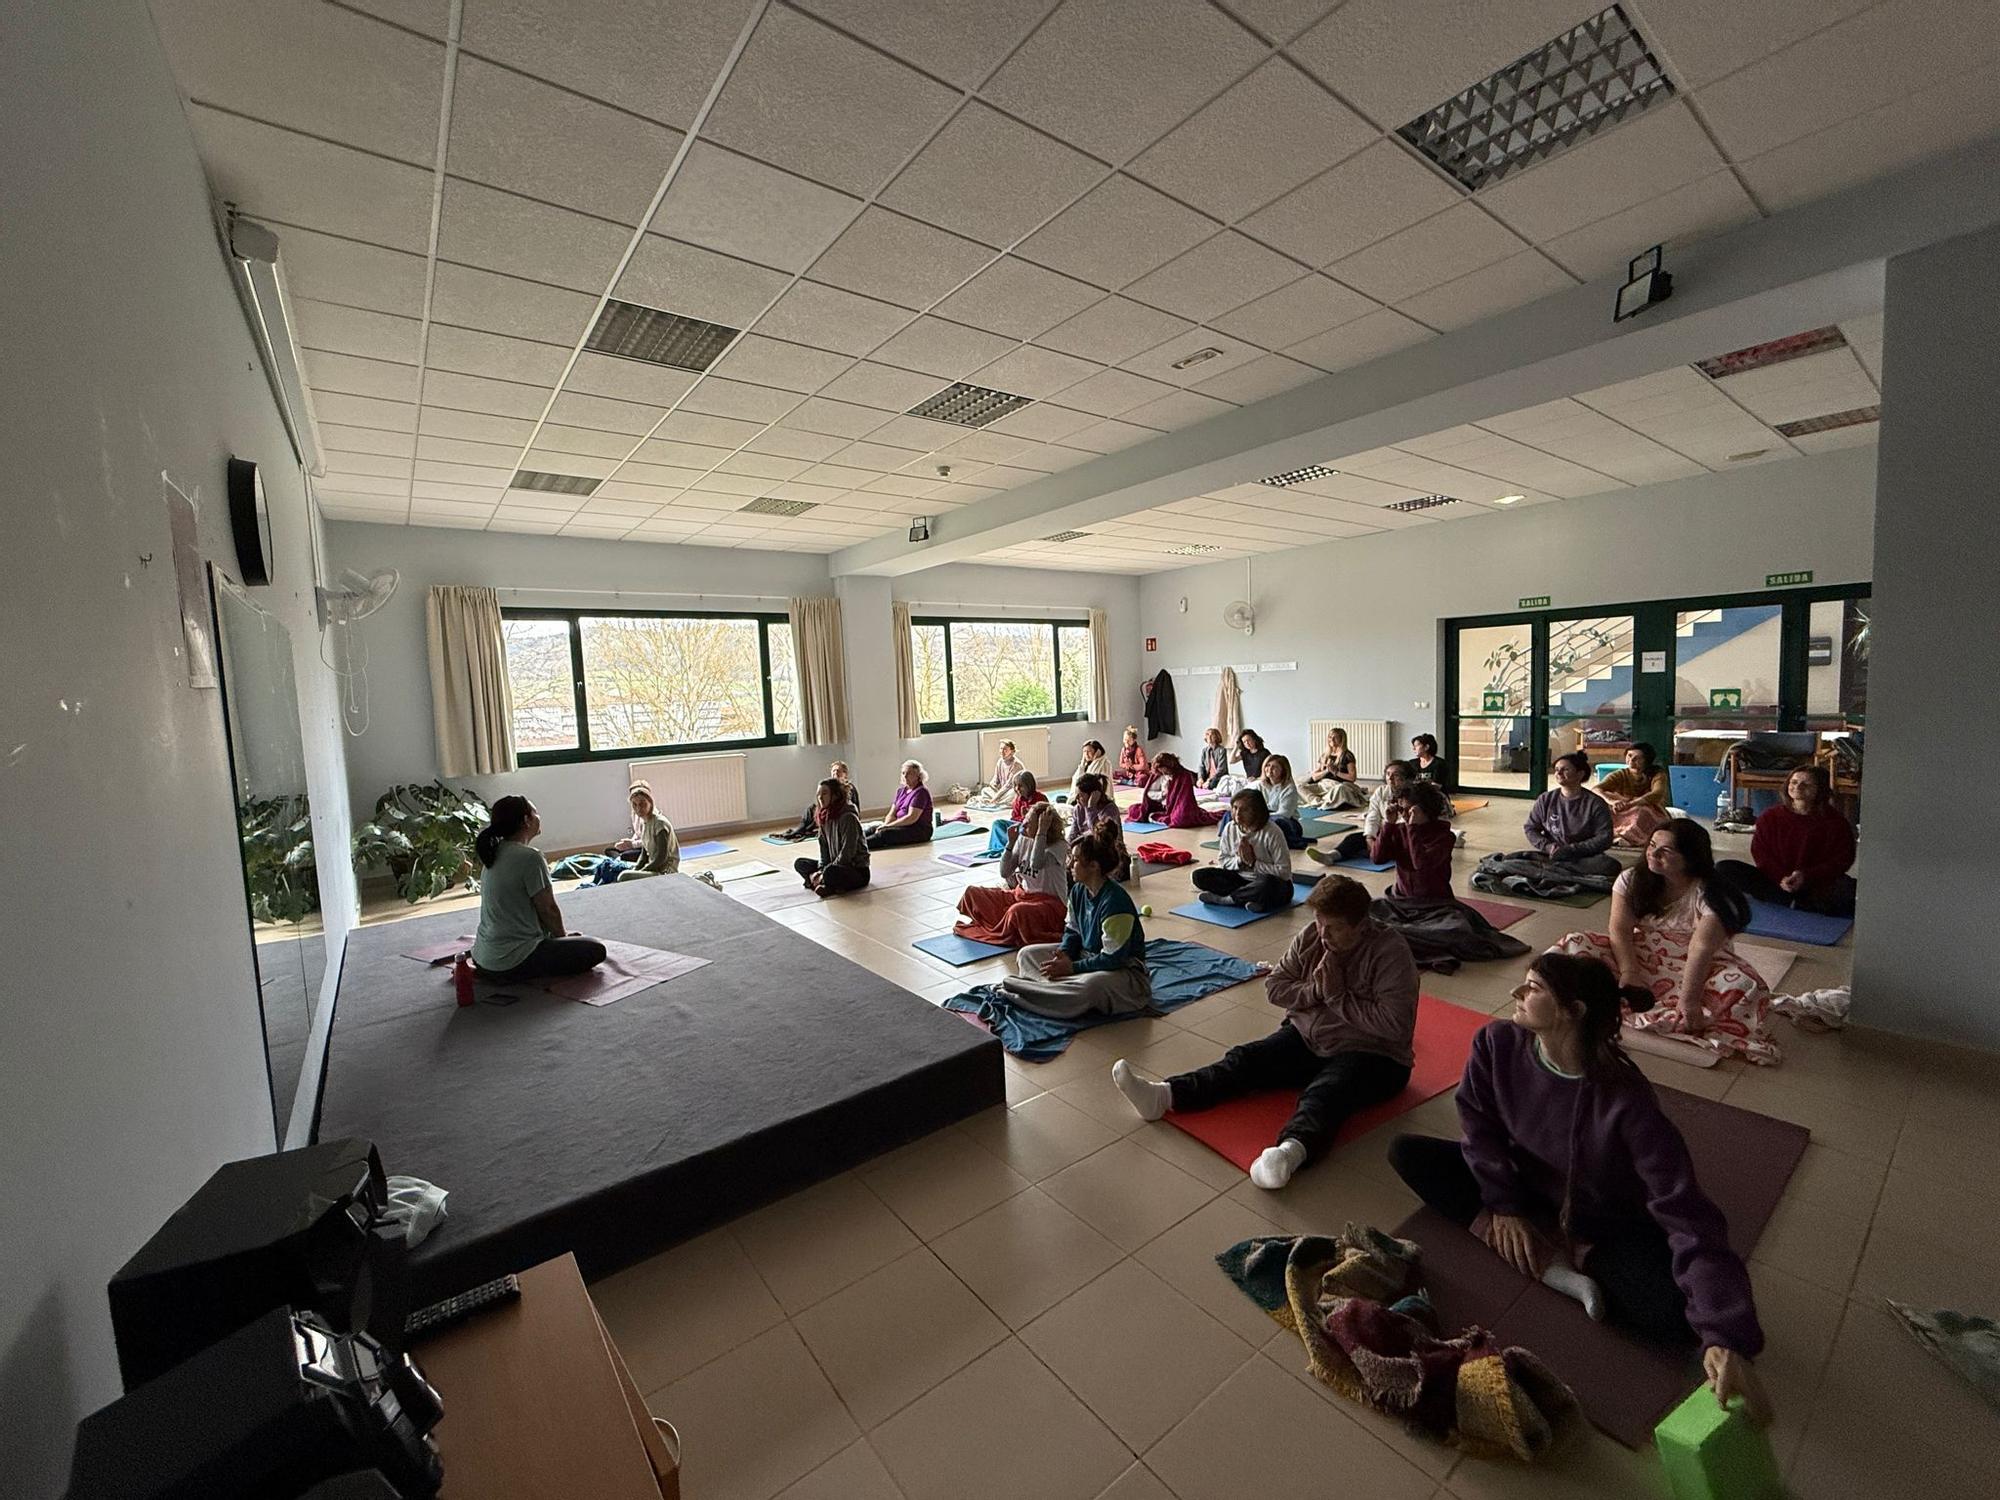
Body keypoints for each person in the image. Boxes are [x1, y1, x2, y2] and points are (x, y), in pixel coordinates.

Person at [1387, 953, 1774, 1428]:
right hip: (1523, 1189)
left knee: (1676, 1317)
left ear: (1573, 1011)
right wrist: (1503, 1205)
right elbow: (1479, 1127)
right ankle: (1546, 1262)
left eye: (1532, 988)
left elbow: (1689, 1216)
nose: (1516, 995)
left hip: (1600, 1221)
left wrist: (1723, 1333)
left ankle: (1571, 1254)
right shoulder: (1497, 1043)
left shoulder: (1626, 1102)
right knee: (1407, 1153)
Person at [1112, 874, 1417, 1191]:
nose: (1324, 934)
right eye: (1320, 923)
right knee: (1247, 1059)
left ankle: (1288, 1153)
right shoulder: (1313, 935)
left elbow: (1394, 1026)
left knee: (1327, 1092)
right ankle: (1164, 1095)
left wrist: (1338, 998)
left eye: (1335, 928)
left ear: (1360, 925)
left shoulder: (1389, 952)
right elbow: (1276, 987)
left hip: (1374, 1054)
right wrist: (1315, 992)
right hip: (1309, 1037)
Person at [1552, 820, 1779, 1065]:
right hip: (1642, 955)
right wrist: (1629, 971)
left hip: (1698, 966)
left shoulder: (1710, 892)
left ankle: (1667, 1011)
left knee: (1745, 984)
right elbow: (1620, 929)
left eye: (1666, 850)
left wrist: (1689, 1000)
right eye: (1651, 845)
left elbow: (1700, 949)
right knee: (1575, 943)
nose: (1653, 853)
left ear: (1690, 858)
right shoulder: (1631, 879)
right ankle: (1641, 1006)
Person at [1369, 782, 1530, 973]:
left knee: (1456, 931)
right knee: (1362, 913)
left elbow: (1422, 866)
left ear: (1424, 809)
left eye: (1407, 809)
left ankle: (1408, 936)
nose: (1403, 814)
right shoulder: (1398, 830)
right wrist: (1388, 824)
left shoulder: (1443, 835)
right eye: (1400, 808)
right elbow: (1377, 859)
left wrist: (1413, 829)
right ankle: (1408, 934)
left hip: (1436, 905)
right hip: (1400, 901)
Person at [1001, 831, 1150, 1019]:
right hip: (1085, 956)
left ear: (1094, 866)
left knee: (1089, 987)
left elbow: (1113, 959)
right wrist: (1063, 954)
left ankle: (1038, 992)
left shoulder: (1115, 902)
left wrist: (1072, 968)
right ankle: (1048, 993)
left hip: (1122, 972)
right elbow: (1072, 931)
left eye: (1076, 860)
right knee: (1027, 954)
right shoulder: (1078, 890)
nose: (1070, 864)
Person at [470, 796, 607, 981]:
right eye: (535, 812)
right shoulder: (530, 858)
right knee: (595, 949)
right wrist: (562, 939)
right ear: (526, 820)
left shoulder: (493, 852)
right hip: (511, 962)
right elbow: (548, 909)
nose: (538, 816)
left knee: (576, 944)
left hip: (482, 958)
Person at [1716, 766, 1857, 918]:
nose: (1798, 787)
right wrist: (1781, 877)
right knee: (1725, 868)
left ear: (1820, 789)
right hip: (1777, 881)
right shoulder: (1770, 816)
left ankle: (1792, 901)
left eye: (1806, 784)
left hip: (1816, 883)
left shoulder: (1835, 822)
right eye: (1794, 782)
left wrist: (1806, 876)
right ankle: (1793, 902)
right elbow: (1761, 853)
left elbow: (1842, 860)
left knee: (1848, 887)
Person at [957, 802, 1069, 947]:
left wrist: (1041, 832)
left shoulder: (1059, 845)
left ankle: (1005, 925)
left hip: (1049, 906)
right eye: (1025, 820)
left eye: (1029, 822)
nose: (1024, 824)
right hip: (1021, 896)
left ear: (1044, 825)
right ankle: (1004, 925)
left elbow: (1036, 863)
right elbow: (1005, 872)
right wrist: (1010, 844)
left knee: (1017, 912)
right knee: (972, 893)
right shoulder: (1023, 839)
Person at [1192, 789, 1295, 913]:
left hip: (1270, 883)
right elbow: (1223, 860)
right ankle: (1252, 899)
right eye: (1235, 808)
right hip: (1240, 880)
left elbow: (1284, 872)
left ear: (1257, 811)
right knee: (1199, 876)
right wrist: (1240, 862)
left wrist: (1253, 864)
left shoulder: (1272, 832)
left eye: (1245, 810)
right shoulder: (1230, 828)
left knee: (1267, 884)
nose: (1238, 814)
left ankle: (1229, 900)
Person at [1523, 751, 1619, 875]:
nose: (1559, 773)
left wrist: (1571, 850)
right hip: (1552, 854)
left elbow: (1604, 838)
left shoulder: (1595, 803)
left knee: (1609, 865)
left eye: (1565, 769)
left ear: (1580, 774)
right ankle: (1559, 869)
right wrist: (1548, 847)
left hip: (1583, 856)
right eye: (1557, 769)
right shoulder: (1545, 799)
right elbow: (1530, 828)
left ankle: (1553, 870)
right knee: (1514, 858)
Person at [794, 778, 870, 897]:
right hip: (834, 864)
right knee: (800, 863)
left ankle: (821, 882)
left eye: (824, 793)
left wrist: (824, 873)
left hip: (855, 869)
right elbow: (824, 850)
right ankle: (829, 885)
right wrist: (821, 869)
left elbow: (847, 853)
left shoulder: (848, 817)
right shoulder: (824, 817)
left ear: (835, 795)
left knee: (831, 872)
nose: (820, 797)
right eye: (818, 794)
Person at [1593, 743, 1673, 848]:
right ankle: (1612, 835)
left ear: (1647, 760)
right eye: (1629, 756)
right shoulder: (1620, 774)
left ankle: (1629, 837)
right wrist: (1612, 801)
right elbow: (1596, 789)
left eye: (1638, 758)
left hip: (1648, 808)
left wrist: (1631, 804)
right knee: (1603, 810)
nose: (1631, 761)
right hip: (1624, 808)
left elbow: (1656, 794)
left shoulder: (1657, 774)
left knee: (1641, 811)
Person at [603, 781, 680, 880]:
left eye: (642, 804)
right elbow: (643, 856)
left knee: (623, 877)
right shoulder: (645, 823)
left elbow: (661, 857)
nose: (638, 808)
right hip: (653, 868)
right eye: (635, 805)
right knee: (616, 870)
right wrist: (636, 869)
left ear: (650, 803)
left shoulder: (660, 823)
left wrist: (643, 871)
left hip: (665, 872)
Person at [1125, 751, 1220, 828]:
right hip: (1160, 805)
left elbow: (1184, 799)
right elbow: (1149, 794)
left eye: (1163, 768)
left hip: (1175, 806)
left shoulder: (1183, 775)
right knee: (1134, 810)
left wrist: (1169, 797)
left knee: (1180, 818)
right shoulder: (1157, 775)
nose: (1162, 771)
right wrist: (1163, 794)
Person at [776, 760, 860, 841]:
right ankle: (801, 829)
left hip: (839, 812)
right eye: (833, 771)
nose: (835, 773)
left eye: (838, 771)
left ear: (845, 774)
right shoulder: (830, 785)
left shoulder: (848, 788)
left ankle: (802, 830)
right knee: (810, 809)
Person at [866, 760, 934, 850]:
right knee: (873, 829)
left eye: (909, 773)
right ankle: (849, 842)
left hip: (918, 830)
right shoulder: (901, 791)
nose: (905, 776)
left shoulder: (921, 792)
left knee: (885, 834)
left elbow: (911, 818)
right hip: (902, 826)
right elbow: (892, 813)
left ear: (918, 776)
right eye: (903, 773)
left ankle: (857, 847)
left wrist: (888, 827)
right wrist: (885, 825)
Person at [1301, 726, 1368, 811]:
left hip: (1337, 785)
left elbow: (1352, 777)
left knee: (1340, 789)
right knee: (1299, 786)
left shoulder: (1347, 755)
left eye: (1335, 737)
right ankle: (1318, 802)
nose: (1331, 739)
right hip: (1323, 785)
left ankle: (1324, 801)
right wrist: (1326, 771)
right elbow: (1314, 776)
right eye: (1330, 737)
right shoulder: (1325, 755)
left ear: (1341, 739)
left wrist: (1335, 772)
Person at [985, 769, 1049, 855]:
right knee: (998, 824)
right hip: (1019, 825)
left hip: (1031, 829)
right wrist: (1021, 819)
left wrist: (1026, 817)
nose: (1017, 789)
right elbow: (1014, 817)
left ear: (1029, 785)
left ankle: (1013, 846)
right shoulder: (1018, 800)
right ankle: (1003, 847)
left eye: (1020, 786)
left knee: (1023, 829)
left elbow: (1045, 819)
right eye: (1015, 786)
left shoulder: (1040, 799)